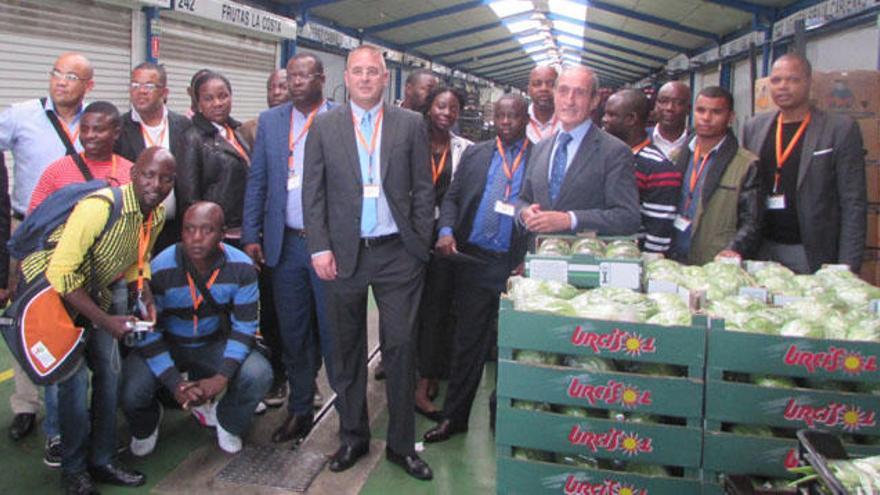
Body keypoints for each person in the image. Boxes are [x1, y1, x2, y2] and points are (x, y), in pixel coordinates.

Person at [302, 44, 434, 481]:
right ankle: (353, 436)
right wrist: (319, 247)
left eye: (372, 72)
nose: (364, 79)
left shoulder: (410, 124)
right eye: (356, 72)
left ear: (384, 77)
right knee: (346, 350)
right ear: (346, 77)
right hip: (343, 255)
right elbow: (313, 192)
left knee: (400, 347)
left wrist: (420, 243)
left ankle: (401, 445)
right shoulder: (323, 126)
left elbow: (422, 187)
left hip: (398, 253)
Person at [18, 146, 174, 493]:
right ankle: (74, 469)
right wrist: (104, 321)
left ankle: (102, 459)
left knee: (109, 376)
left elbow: (138, 257)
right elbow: (60, 273)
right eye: (149, 175)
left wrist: (142, 290)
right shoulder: (99, 208)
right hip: (58, 299)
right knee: (73, 387)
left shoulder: (155, 214)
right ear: (133, 175)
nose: (156, 184)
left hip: (98, 295)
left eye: (165, 178)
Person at [0, 51, 93, 463]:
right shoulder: (21, 115)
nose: (61, 81)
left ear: (87, 85)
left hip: (83, 233)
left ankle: (72, 412)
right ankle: (25, 405)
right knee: (27, 315)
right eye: (56, 73)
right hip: (29, 229)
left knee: (69, 318)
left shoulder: (99, 120)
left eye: (72, 76)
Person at [122, 202, 271, 456]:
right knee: (130, 389)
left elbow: (244, 327)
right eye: (189, 230)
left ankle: (227, 420)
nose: (196, 238)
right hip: (170, 343)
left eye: (207, 230)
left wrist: (220, 378)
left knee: (259, 374)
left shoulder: (242, 268)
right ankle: (147, 421)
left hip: (213, 343)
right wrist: (173, 383)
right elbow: (148, 332)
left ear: (223, 234)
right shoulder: (160, 268)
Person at [423, 94, 532, 443]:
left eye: (512, 116)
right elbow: (452, 197)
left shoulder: (540, 156)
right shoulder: (476, 153)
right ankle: (454, 418)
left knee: (516, 345)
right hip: (475, 263)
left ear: (526, 117)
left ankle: (509, 416)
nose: (505, 122)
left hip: (517, 267)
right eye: (499, 116)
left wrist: (530, 257)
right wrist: (445, 230)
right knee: (468, 343)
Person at [243, 52, 336, 443]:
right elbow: (259, 181)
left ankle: (349, 416)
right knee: (294, 332)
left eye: (304, 75)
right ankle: (299, 409)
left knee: (335, 334)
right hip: (286, 247)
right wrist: (251, 234)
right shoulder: (271, 121)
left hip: (329, 248)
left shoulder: (342, 119)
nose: (296, 82)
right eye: (291, 76)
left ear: (321, 78)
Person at [741, 53, 866, 273]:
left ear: (809, 83)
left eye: (793, 80)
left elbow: (853, 202)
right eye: (776, 80)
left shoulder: (839, 129)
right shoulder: (754, 127)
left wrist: (848, 267)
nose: (783, 86)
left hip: (810, 252)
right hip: (761, 249)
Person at [517, 66, 640, 237]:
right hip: (540, 257)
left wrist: (571, 219)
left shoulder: (615, 152)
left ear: (595, 100)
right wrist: (524, 213)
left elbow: (628, 217)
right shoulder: (540, 148)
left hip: (583, 258)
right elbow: (523, 199)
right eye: (563, 91)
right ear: (554, 95)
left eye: (580, 93)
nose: (569, 100)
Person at [414, 86, 472, 420]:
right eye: (440, 106)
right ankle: (410, 371)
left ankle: (427, 378)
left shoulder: (465, 150)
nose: (446, 113)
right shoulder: (411, 141)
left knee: (437, 308)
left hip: (445, 239)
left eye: (452, 108)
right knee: (411, 307)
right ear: (429, 107)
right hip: (411, 236)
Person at [670, 86, 762, 265]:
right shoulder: (677, 157)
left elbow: (752, 221)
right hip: (673, 256)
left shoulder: (746, 164)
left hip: (713, 261)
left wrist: (733, 250)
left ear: (730, 117)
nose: (706, 118)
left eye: (716, 112)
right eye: (701, 110)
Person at [115, 62, 192, 254]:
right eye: (135, 85)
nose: (141, 91)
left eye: (148, 86)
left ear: (164, 92)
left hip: (175, 229)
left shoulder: (184, 126)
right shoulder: (119, 129)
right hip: (134, 229)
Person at [602, 89, 682, 253]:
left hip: (630, 259)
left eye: (611, 115)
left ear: (631, 119)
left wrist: (645, 267)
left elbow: (659, 233)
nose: (604, 120)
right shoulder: (605, 156)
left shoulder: (659, 169)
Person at [178, 71, 251, 242]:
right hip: (217, 234)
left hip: (244, 229)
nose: (217, 103)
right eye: (209, 98)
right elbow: (189, 199)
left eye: (223, 96)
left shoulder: (237, 132)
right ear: (199, 104)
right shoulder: (192, 138)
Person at [30, 102, 131, 211]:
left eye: (98, 130)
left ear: (116, 133)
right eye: (84, 129)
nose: (89, 135)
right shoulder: (57, 170)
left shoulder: (130, 173)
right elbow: (34, 217)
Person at [239, 68, 289, 147]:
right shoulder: (249, 129)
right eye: (270, 88)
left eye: (283, 87)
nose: (276, 92)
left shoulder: (305, 125)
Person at [652, 81, 691, 161]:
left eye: (678, 103)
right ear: (655, 105)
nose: (669, 108)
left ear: (688, 108)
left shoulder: (697, 143)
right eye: (664, 101)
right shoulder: (641, 140)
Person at [525, 65, 559, 144]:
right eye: (537, 84)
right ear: (528, 90)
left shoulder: (569, 122)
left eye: (551, 84)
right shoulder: (520, 120)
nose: (544, 89)